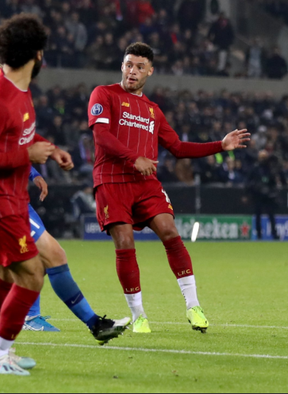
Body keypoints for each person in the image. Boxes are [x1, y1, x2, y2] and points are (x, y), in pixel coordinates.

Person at [0, 56, 129, 345]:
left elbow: (16, 136)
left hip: (11, 194)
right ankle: (90, 324)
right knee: (48, 259)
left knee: (17, 272)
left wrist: (42, 161)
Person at [88, 42, 250, 334]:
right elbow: (100, 135)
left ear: (150, 71)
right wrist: (132, 157)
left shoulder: (153, 111)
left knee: (170, 232)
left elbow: (176, 147)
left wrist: (220, 145)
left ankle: (193, 306)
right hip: (112, 180)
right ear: (121, 66)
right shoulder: (104, 94)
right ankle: (139, 315)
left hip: (146, 182)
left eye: (139, 67)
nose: (132, 71)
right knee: (125, 242)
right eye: (128, 65)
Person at [247, 150, 281, 240]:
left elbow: (274, 182)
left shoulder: (270, 168)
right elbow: (248, 181)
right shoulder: (255, 168)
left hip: (268, 196)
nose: (263, 159)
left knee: (271, 215)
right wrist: (254, 188)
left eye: (265, 157)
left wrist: (272, 191)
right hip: (258, 195)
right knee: (258, 215)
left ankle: (274, 234)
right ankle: (259, 235)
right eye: (262, 157)